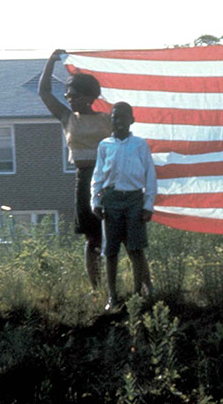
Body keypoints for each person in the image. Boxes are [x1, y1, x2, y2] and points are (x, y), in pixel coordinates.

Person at [38, 49, 111, 290]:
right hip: (84, 180)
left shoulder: (107, 119)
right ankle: (96, 288)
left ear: (89, 96)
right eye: (68, 94)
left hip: (109, 180)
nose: (69, 98)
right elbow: (44, 92)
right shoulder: (67, 118)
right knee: (92, 238)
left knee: (113, 235)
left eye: (74, 94)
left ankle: (116, 286)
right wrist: (51, 61)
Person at [91, 102, 156, 311]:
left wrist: (148, 204)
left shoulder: (139, 145)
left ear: (131, 120)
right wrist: (96, 200)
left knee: (136, 248)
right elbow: (98, 177)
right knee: (110, 250)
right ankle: (112, 296)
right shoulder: (105, 146)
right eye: (114, 118)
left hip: (134, 200)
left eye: (122, 118)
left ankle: (138, 294)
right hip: (111, 199)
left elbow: (150, 176)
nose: (118, 122)